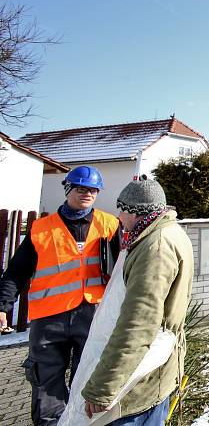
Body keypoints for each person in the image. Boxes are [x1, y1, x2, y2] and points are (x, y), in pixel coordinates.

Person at [0, 165, 119, 425]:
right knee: (46, 381)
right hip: (48, 319)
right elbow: (16, 272)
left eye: (93, 190)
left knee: (87, 378)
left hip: (92, 314)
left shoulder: (110, 225)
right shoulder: (41, 229)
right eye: (80, 188)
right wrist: (2, 305)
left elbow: (125, 269)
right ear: (68, 189)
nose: (86, 194)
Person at [81, 178, 194, 426]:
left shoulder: (156, 247)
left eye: (123, 209)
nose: (119, 216)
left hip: (139, 384)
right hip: (151, 377)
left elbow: (139, 325)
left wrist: (103, 387)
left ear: (139, 211)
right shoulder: (163, 233)